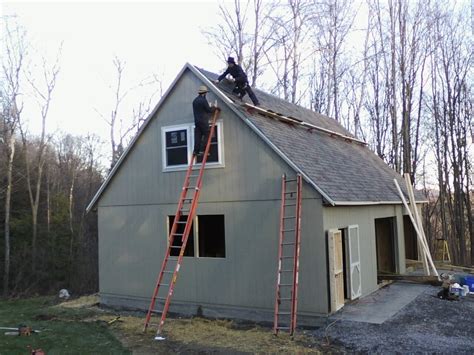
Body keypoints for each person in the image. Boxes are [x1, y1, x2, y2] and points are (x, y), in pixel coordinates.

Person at [192, 85, 219, 157]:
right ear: (204, 93)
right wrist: (214, 108)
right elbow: (209, 110)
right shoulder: (203, 100)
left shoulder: (194, 101)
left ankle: (196, 151)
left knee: (198, 136)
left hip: (197, 121)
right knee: (207, 134)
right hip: (203, 121)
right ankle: (202, 150)